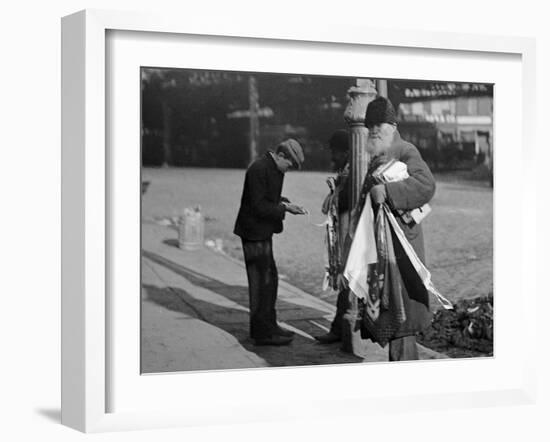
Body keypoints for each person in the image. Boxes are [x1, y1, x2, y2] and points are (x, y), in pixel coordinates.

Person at [362, 96, 436, 361]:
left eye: (379, 124)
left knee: (402, 317)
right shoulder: (378, 155)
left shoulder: (406, 150)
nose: (373, 129)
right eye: (369, 124)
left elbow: (426, 186)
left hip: (402, 247)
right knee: (392, 313)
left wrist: (388, 191)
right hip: (384, 248)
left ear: (392, 125)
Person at [234, 139, 307, 346]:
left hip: (262, 232)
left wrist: (284, 202)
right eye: (289, 164)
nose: (289, 170)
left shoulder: (272, 168)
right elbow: (258, 206)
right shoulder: (259, 169)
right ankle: (261, 333)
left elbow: (268, 198)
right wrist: (285, 209)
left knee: (271, 280)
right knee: (260, 284)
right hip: (253, 233)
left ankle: (270, 325)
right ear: (282, 156)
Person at [316, 130, 352, 344]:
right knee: (344, 281)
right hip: (343, 234)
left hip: (349, 236)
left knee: (346, 280)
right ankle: (338, 327)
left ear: (346, 151)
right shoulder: (346, 171)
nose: (332, 156)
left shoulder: (351, 172)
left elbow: (347, 202)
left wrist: (336, 193)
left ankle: (340, 328)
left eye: (335, 152)